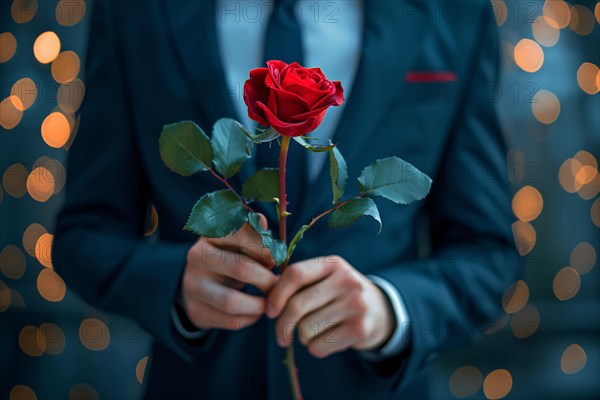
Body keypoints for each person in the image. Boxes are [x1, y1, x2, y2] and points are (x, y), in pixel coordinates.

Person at [53, 1, 520, 399]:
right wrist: (175, 286)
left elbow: (488, 255)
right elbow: (84, 235)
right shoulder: (136, 11)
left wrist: (390, 309)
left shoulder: (457, 11)